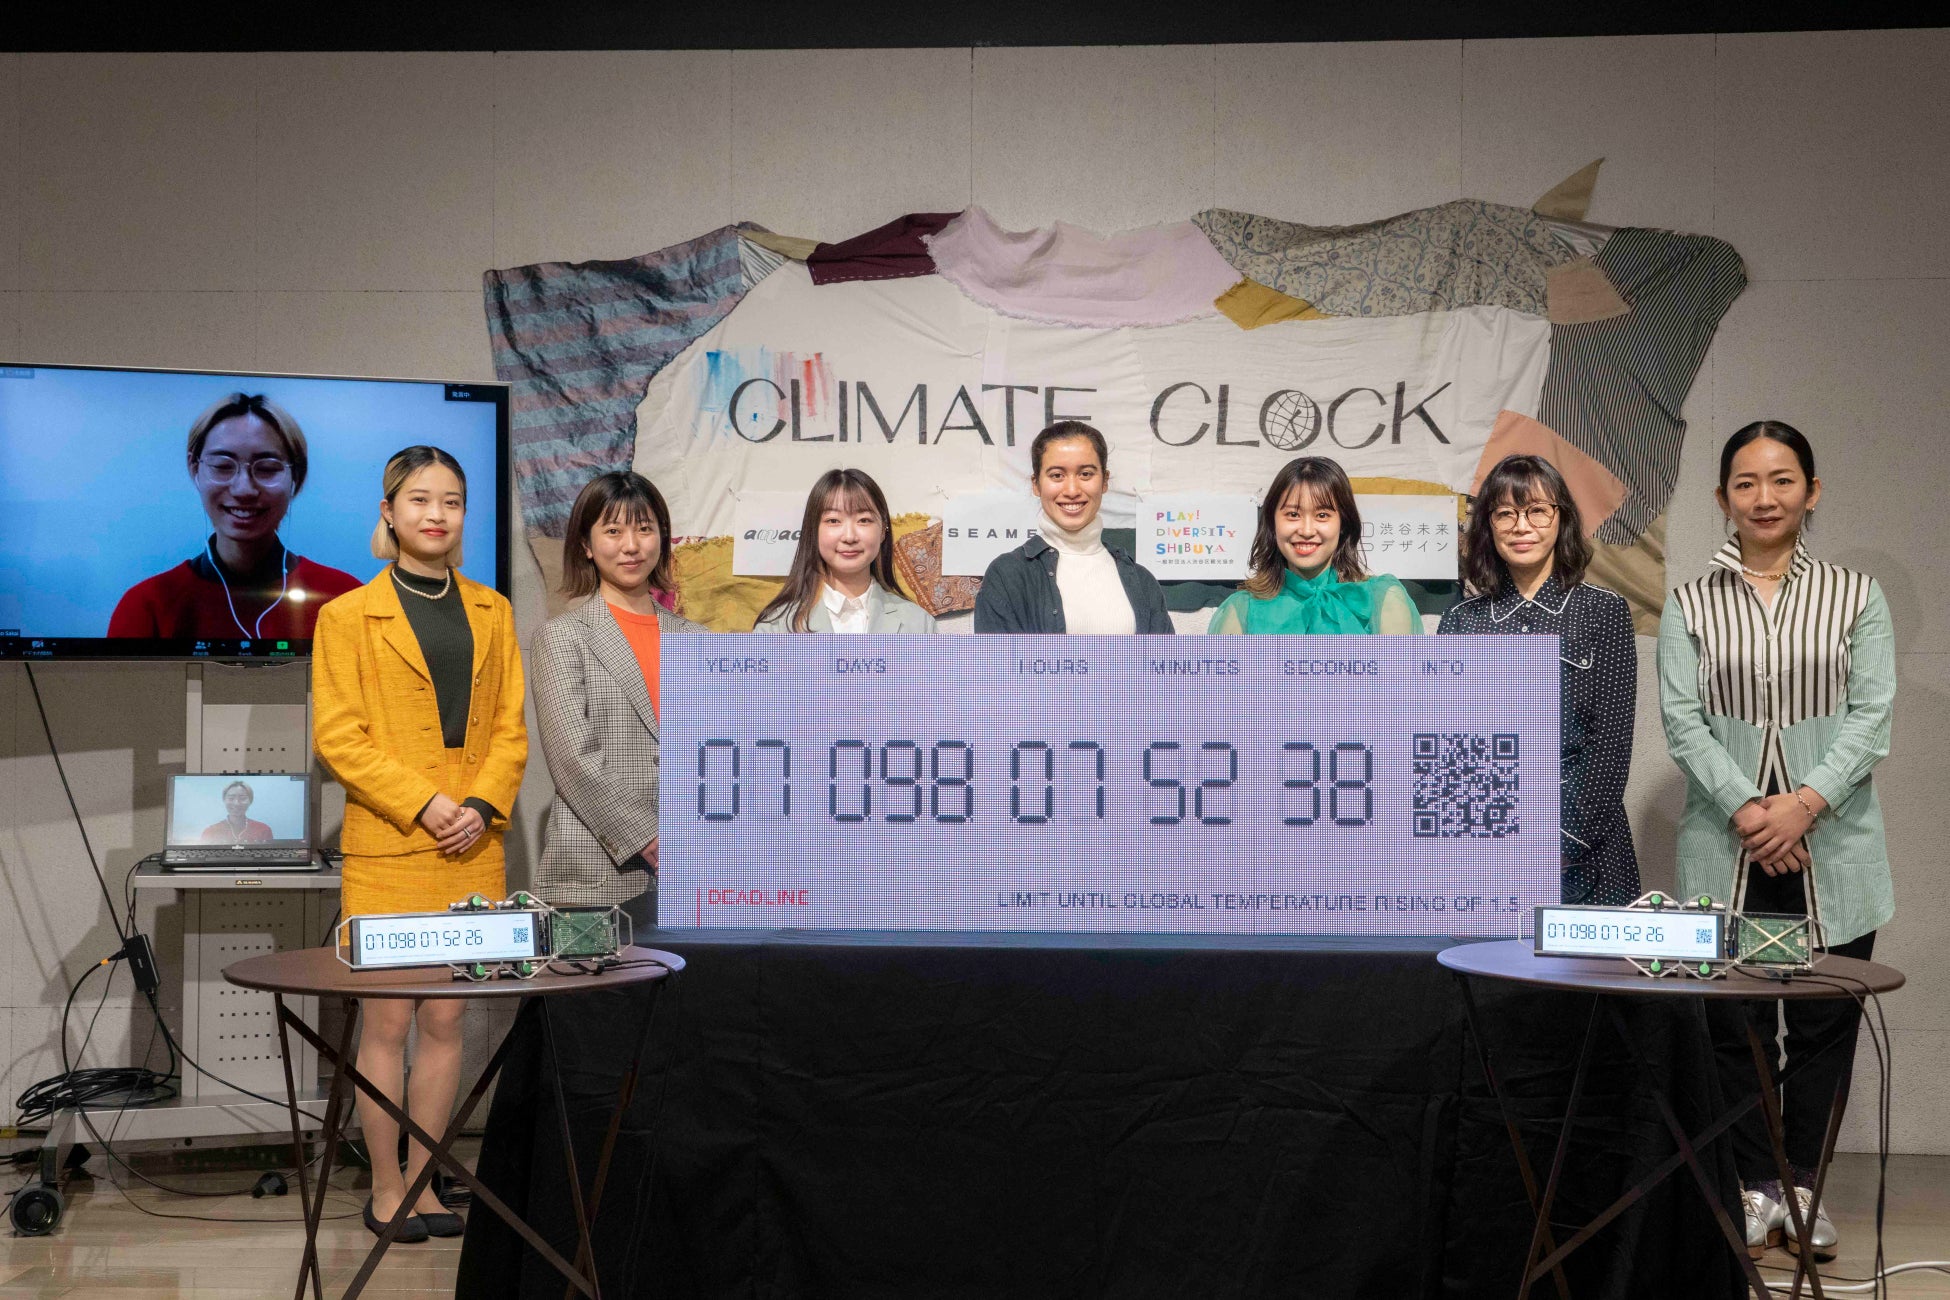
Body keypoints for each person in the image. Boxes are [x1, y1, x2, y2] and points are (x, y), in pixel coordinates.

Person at [1658, 421, 1893, 1262]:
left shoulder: (1857, 596)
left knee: (1825, 1024)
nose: (1765, 497)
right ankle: (1755, 1187)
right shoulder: (1690, 602)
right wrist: (1752, 812)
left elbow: (1871, 717)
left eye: (1783, 479)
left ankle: (1805, 1189)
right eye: (1747, 483)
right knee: (1737, 1026)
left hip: (1833, 850)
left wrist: (1802, 807)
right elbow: (1682, 723)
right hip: (1727, 851)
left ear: (1812, 491)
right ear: (1723, 498)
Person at [312, 445, 527, 1244]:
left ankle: (428, 1180)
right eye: (420, 500)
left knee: (447, 1021)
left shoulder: (494, 610)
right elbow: (340, 738)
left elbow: (510, 730)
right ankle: (387, 1185)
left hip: (471, 846)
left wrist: (479, 804)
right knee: (387, 1026)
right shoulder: (345, 616)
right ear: (389, 512)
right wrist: (426, 803)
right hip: (391, 846)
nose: (437, 514)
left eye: (452, 501)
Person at [1437, 454, 1637, 903]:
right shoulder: (1461, 621)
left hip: (1584, 843)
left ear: (1560, 518)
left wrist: (1564, 841)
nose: (1521, 526)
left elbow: (1610, 743)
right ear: (1488, 526)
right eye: (1505, 513)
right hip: (1485, 842)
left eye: (1537, 511)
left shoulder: (1602, 611)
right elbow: (1450, 748)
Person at [533, 471, 707, 933]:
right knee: (591, 982)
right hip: (594, 870)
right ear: (586, 545)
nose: (631, 546)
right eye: (613, 531)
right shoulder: (562, 637)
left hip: (693, 870)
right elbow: (573, 758)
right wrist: (646, 836)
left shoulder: (697, 640)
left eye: (644, 529)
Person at [108, 392, 361, 639]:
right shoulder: (146, 606)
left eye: (267, 468)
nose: (244, 489)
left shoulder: (344, 597)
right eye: (222, 466)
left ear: (296, 474)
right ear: (195, 469)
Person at [974, 421, 1172, 634]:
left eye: (1085, 474)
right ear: (1036, 484)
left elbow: (1164, 656)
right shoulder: (1007, 576)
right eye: (1057, 475)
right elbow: (996, 657)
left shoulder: (1142, 581)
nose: (1072, 490)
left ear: (1104, 481)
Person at [1208, 456, 1421, 634]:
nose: (1307, 531)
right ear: (1273, 523)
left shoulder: (1382, 598)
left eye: (1322, 515)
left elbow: (1402, 674)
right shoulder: (1242, 610)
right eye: (1293, 514)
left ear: (1344, 524)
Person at [753, 469, 936, 634]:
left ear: (883, 531)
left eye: (864, 520)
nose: (849, 536)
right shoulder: (775, 628)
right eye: (833, 521)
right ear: (813, 530)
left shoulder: (919, 625)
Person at [198, 779, 274, 844]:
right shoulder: (210, 832)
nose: (236, 803)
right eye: (231, 798)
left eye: (242, 798)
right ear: (224, 800)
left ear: (250, 801)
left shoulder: (263, 830)